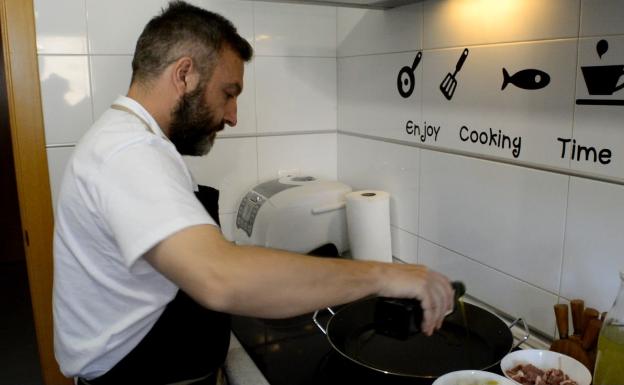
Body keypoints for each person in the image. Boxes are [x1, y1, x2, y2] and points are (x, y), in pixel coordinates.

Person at [52, 2, 455, 384]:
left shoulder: (130, 142)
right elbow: (220, 277)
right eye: (228, 93)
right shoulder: (129, 153)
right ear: (184, 74)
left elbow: (205, 261)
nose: (232, 115)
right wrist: (386, 274)